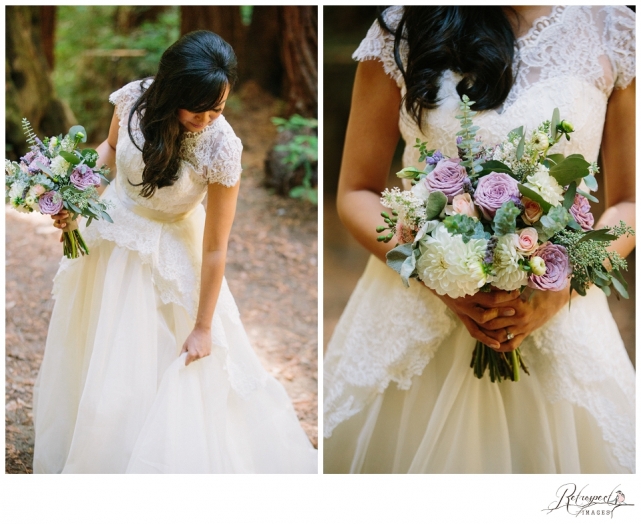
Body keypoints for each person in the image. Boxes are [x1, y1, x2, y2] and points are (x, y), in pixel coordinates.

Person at [324, 6, 635, 474]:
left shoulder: (614, 28)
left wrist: (560, 291)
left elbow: (629, 204)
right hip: (417, 312)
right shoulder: (406, 26)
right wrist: (438, 272)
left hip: (561, 314)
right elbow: (356, 192)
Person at [33, 30, 317, 473]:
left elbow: (216, 246)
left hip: (168, 254)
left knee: (153, 364)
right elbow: (109, 149)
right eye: (197, 109)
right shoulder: (132, 100)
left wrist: (203, 326)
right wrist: (75, 193)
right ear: (169, 92)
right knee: (97, 346)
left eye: (218, 108)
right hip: (109, 236)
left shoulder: (223, 147)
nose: (207, 118)